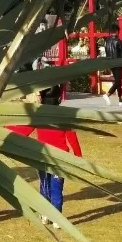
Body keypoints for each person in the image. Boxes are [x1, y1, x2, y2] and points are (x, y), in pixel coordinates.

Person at [35, 83, 81, 226]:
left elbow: (24, 129)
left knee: (44, 184)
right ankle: (57, 217)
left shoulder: (37, 114)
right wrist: (78, 155)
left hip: (42, 155)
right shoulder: (63, 115)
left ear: (41, 97)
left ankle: (44, 214)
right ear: (59, 98)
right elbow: (71, 136)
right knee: (57, 186)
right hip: (60, 157)